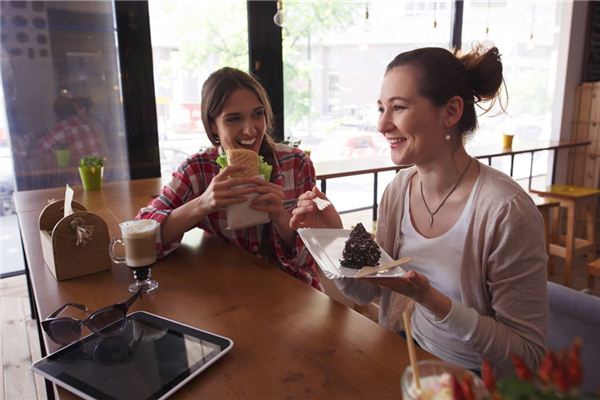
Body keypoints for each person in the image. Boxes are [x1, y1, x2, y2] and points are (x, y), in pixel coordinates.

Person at [290, 45, 547, 376]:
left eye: (398, 108)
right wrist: (332, 238)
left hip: (474, 379)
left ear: (451, 111)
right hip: (405, 353)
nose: (382, 124)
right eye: (381, 108)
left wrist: (430, 299)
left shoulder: (506, 211)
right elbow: (369, 291)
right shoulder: (398, 190)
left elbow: (527, 356)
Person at [137, 67, 321, 290]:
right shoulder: (199, 170)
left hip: (295, 290)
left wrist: (281, 216)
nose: (249, 130)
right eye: (234, 119)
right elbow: (140, 238)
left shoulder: (296, 163)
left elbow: (315, 253)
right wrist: (202, 204)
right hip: (231, 292)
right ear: (213, 125)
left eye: (257, 114)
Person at [38, 93, 106, 166]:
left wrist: (52, 153)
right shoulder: (94, 124)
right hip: (100, 172)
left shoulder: (65, 126)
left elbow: (41, 147)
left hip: (79, 174)